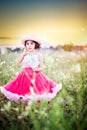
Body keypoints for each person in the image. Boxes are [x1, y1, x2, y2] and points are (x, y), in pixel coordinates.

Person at [0, 36, 62, 103]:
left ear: (35, 45)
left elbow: (42, 68)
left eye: (32, 44)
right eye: (27, 44)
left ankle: (37, 105)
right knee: (24, 91)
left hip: (36, 75)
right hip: (25, 75)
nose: (29, 45)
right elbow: (18, 62)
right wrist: (23, 55)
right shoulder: (25, 54)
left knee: (37, 91)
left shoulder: (38, 55)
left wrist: (36, 69)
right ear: (25, 45)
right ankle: (26, 105)